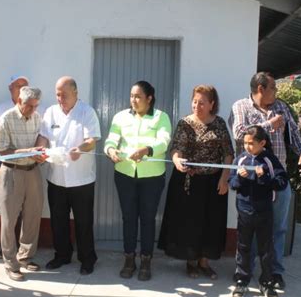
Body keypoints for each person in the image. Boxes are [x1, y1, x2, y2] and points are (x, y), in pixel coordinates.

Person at [229, 72, 301, 290]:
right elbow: (239, 134)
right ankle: (245, 272)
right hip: (250, 184)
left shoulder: (281, 107)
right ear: (261, 89)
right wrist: (268, 125)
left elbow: (293, 132)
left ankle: (274, 272)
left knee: (277, 228)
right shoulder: (240, 106)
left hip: (277, 179)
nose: (277, 92)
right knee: (249, 230)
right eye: (274, 88)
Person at [158, 85, 234, 280]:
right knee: (189, 223)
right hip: (188, 181)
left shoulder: (219, 123)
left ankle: (204, 262)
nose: (197, 106)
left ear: (212, 104)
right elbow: (176, 148)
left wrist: (225, 179)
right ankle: (191, 262)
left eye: (202, 102)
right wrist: (177, 160)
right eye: (194, 101)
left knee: (211, 223)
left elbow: (228, 153)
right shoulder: (185, 123)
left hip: (213, 182)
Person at [104, 80, 171, 281]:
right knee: (128, 217)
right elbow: (111, 139)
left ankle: (146, 260)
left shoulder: (161, 117)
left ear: (149, 98)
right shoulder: (120, 117)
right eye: (132, 96)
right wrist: (110, 150)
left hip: (152, 177)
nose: (133, 100)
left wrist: (147, 150)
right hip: (125, 175)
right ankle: (129, 259)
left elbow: (164, 141)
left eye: (138, 96)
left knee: (148, 219)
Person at [37, 76, 100, 275]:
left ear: (75, 93)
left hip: (82, 179)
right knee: (58, 220)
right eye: (57, 94)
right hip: (56, 177)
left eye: (63, 94)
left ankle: (87, 258)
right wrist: (39, 149)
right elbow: (43, 137)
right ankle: (62, 255)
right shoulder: (51, 112)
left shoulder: (87, 112)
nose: (60, 98)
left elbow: (92, 140)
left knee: (83, 222)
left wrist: (80, 148)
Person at [229, 125, 288, 297]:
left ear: (262, 143)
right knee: (244, 245)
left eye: (251, 143)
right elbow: (232, 183)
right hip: (245, 210)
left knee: (265, 248)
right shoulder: (240, 159)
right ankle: (242, 279)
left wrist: (263, 176)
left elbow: (281, 182)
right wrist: (239, 177)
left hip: (264, 211)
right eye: (244, 143)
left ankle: (267, 282)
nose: (247, 147)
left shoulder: (269, 160)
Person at [0, 86, 46, 281]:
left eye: (36, 106)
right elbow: (3, 152)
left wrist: (41, 152)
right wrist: (28, 151)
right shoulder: (5, 119)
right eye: (30, 106)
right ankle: (10, 264)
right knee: (9, 220)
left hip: (32, 171)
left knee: (33, 215)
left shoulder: (37, 118)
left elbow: (42, 141)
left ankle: (25, 256)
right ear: (19, 101)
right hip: (11, 172)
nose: (33, 110)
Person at [0, 75, 29, 259]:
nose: (22, 89)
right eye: (18, 86)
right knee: (8, 211)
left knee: (27, 210)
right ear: (10, 88)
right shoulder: (1, 110)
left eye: (25, 86)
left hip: (29, 169)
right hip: (7, 168)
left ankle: (23, 250)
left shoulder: (35, 109)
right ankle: (7, 248)